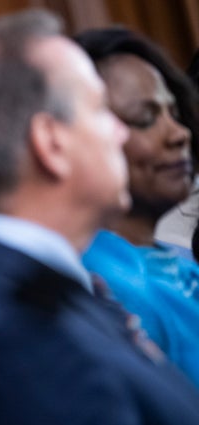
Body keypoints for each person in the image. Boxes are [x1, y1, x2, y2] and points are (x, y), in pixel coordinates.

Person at [0, 9, 199, 425]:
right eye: (98, 110)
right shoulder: (13, 333)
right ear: (51, 143)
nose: (119, 132)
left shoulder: (35, 290)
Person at [77, 27, 199, 386]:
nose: (179, 133)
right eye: (146, 118)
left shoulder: (173, 267)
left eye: (173, 113)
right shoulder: (101, 286)